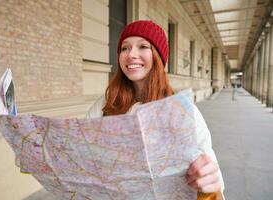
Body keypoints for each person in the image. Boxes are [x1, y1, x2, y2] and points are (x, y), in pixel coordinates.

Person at [86, 20, 224, 199]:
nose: (131, 55)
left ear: (158, 57)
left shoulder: (182, 111)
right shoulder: (105, 104)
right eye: (125, 48)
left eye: (143, 46)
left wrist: (210, 181)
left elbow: (210, 173)